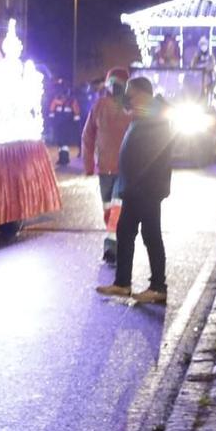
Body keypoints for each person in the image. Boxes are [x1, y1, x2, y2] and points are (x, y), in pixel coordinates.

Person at [99, 76, 171, 304]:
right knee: (125, 233)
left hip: (146, 189)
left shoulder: (154, 116)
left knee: (151, 236)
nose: (128, 97)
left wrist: (138, 185)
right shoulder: (145, 113)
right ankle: (122, 283)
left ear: (142, 93)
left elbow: (151, 156)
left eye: (131, 92)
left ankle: (158, 287)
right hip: (134, 188)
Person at [80, 66, 133, 262]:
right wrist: (88, 165)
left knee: (117, 209)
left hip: (125, 170)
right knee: (108, 209)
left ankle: (111, 247)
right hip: (105, 169)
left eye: (118, 84)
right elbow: (88, 136)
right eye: (112, 84)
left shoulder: (132, 108)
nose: (115, 87)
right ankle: (117, 239)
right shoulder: (99, 106)